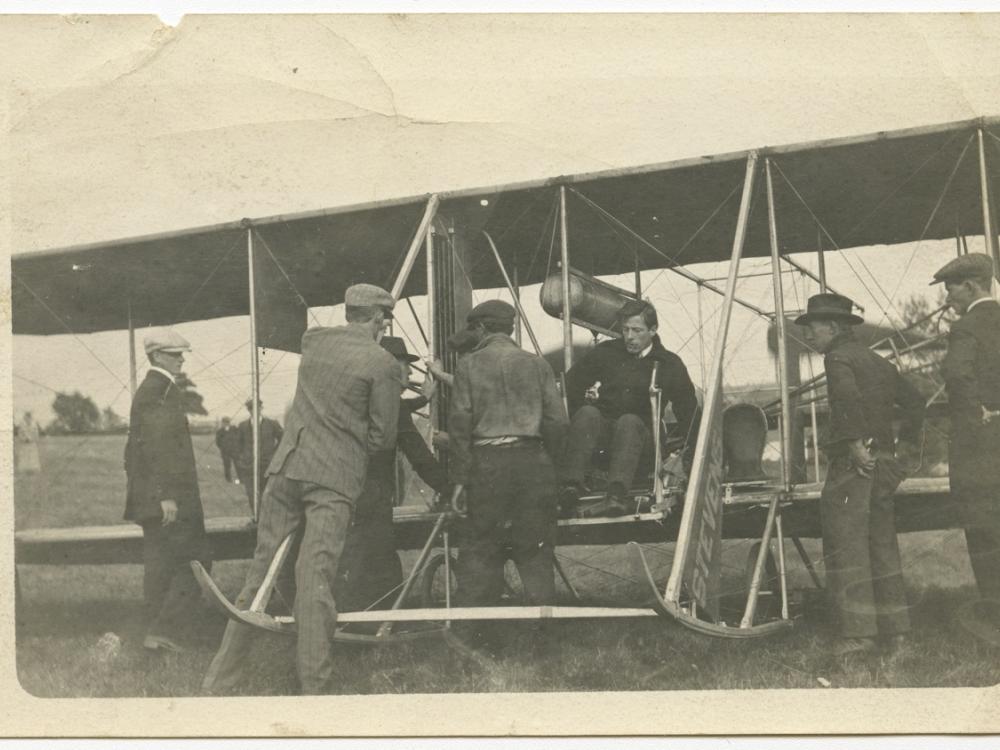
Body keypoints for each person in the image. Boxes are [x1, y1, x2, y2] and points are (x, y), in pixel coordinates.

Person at [202, 283, 401, 695]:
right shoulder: (382, 363)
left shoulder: (314, 343)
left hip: (286, 469)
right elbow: (383, 439)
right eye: (386, 319)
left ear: (348, 311)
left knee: (259, 575)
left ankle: (219, 680)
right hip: (333, 479)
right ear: (381, 320)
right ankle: (315, 686)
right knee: (314, 578)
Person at [797, 293, 925, 657]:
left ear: (833, 327)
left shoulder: (837, 358)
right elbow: (916, 402)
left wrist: (853, 443)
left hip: (854, 466)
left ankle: (859, 634)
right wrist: (906, 455)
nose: (809, 336)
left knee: (846, 546)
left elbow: (848, 399)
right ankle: (897, 632)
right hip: (883, 463)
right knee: (882, 545)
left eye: (813, 328)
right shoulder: (876, 360)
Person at [449, 300, 568, 652]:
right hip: (533, 463)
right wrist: (551, 466)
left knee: (479, 553)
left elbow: (459, 426)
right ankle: (543, 642)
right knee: (535, 554)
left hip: (488, 465)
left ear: (482, 330)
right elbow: (558, 423)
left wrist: (459, 480)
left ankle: (471, 640)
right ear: (510, 329)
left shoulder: (468, 366)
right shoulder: (538, 364)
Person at [336, 336, 450, 614]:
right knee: (379, 560)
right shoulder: (391, 406)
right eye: (404, 364)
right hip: (371, 496)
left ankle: (347, 614)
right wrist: (452, 487)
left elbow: (400, 409)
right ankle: (378, 619)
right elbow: (421, 460)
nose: (409, 372)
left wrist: (423, 398)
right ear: (387, 366)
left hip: (341, 490)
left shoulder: (356, 397)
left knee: (350, 557)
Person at [560, 299, 699, 517]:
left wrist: (689, 455)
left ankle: (616, 495)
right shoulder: (605, 353)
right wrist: (576, 421)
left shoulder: (669, 363)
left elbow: (688, 411)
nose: (630, 337)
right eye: (625, 330)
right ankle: (569, 487)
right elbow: (571, 385)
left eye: (637, 330)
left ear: (653, 330)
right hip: (605, 444)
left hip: (644, 444)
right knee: (588, 413)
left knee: (629, 421)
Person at [124, 329, 211, 653]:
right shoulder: (160, 390)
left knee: (161, 567)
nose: (182, 359)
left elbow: (133, 451)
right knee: (197, 561)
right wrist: (166, 496)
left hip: (156, 500)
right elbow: (158, 449)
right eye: (176, 354)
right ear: (158, 356)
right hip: (168, 500)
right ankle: (164, 630)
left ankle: (151, 633)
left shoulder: (152, 390)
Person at [932, 253, 1000, 606]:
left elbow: (958, 375)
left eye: (950, 289)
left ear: (971, 286)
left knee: (986, 533)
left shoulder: (966, 329)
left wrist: (977, 417)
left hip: (982, 452)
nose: (947, 299)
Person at [234, 399, 284, 504]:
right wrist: (242, 459)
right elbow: (237, 445)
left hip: (267, 466)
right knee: (251, 494)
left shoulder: (272, 424)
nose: (255, 411)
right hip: (249, 467)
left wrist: (275, 454)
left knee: (267, 495)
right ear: (249, 410)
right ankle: (256, 519)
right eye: (252, 408)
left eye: (258, 408)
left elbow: (283, 439)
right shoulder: (243, 426)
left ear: (261, 408)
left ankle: (264, 519)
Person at [214, 416, 239, 484]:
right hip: (225, 452)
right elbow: (218, 442)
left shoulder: (234, 429)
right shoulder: (220, 431)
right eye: (224, 422)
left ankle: (240, 478)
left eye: (227, 422)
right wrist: (223, 448)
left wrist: (236, 447)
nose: (225, 424)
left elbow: (239, 438)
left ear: (229, 423)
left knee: (238, 464)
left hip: (234, 451)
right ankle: (228, 479)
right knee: (227, 465)